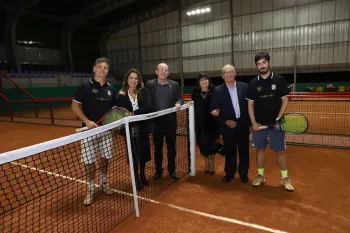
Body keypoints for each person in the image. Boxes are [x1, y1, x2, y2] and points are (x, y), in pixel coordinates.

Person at [71, 57, 117, 205]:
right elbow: (75, 107)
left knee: (105, 158)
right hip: (88, 131)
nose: (102, 69)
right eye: (100, 67)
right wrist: (87, 121)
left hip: (106, 131)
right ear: (93, 68)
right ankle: (90, 189)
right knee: (90, 161)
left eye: (105, 67)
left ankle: (103, 183)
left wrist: (114, 124)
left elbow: (113, 111)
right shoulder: (84, 87)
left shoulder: (111, 89)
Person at [246, 51, 294, 192]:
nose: (262, 66)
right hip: (260, 125)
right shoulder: (253, 83)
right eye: (259, 64)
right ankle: (260, 176)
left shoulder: (279, 80)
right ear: (256, 66)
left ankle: (285, 178)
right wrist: (254, 123)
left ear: (268, 62)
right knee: (260, 149)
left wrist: (278, 118)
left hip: (277, 125)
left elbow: (285, 100)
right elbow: (250, 105)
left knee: (280, 150)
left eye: (264, 62)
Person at [210, 64, 250, 183]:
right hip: (227, 127)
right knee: (229, 151)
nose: (228, 74)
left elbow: (250, 106)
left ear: (235, 73)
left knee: (244, 151)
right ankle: (230, 173)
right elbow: (214, 109)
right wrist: (225, 121)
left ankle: (243, 173)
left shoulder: (245, 87)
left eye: (231, 72)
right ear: (222, 76)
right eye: (226, 73)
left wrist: (251, 124)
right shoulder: (217, 90)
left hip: (243, 125)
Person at [145, 63, 184, 180]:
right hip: (156, 123)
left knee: (172, 148)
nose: (163, 72)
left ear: (168, 73)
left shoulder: (175, 85)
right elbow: (146, 100)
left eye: (165, 70)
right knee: (157, 148)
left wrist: (179, 103)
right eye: (161, 70)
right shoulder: (149, 85)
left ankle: (172, 170)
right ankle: (158, 171)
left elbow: (180, 98)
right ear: (156, 71)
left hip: (171, 122)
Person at [116, 68, 152, 191]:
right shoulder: (121, 95)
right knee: (133, 154)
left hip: (143, 127)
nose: (133, 80)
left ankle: (142, 175)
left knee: (144, 152)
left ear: (139, 80)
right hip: (129, 129)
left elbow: (148, 106)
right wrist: (129, 115)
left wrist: (134, 113)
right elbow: (121, 113)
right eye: (131, 78)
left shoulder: (143, 91)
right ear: (127, 79)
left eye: (136, 78)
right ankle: (135, 178)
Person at [191, 73, 218, 175]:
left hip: (212, 123)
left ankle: (212, 163)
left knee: (212, 144)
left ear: (209, 81)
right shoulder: (195, 93)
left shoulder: (214, 91)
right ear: (199, 82)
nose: (204, 82)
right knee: (203, 144)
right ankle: (207, 161)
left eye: (206, 80)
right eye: (201, 80)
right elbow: (193, 105)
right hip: (200, 123)